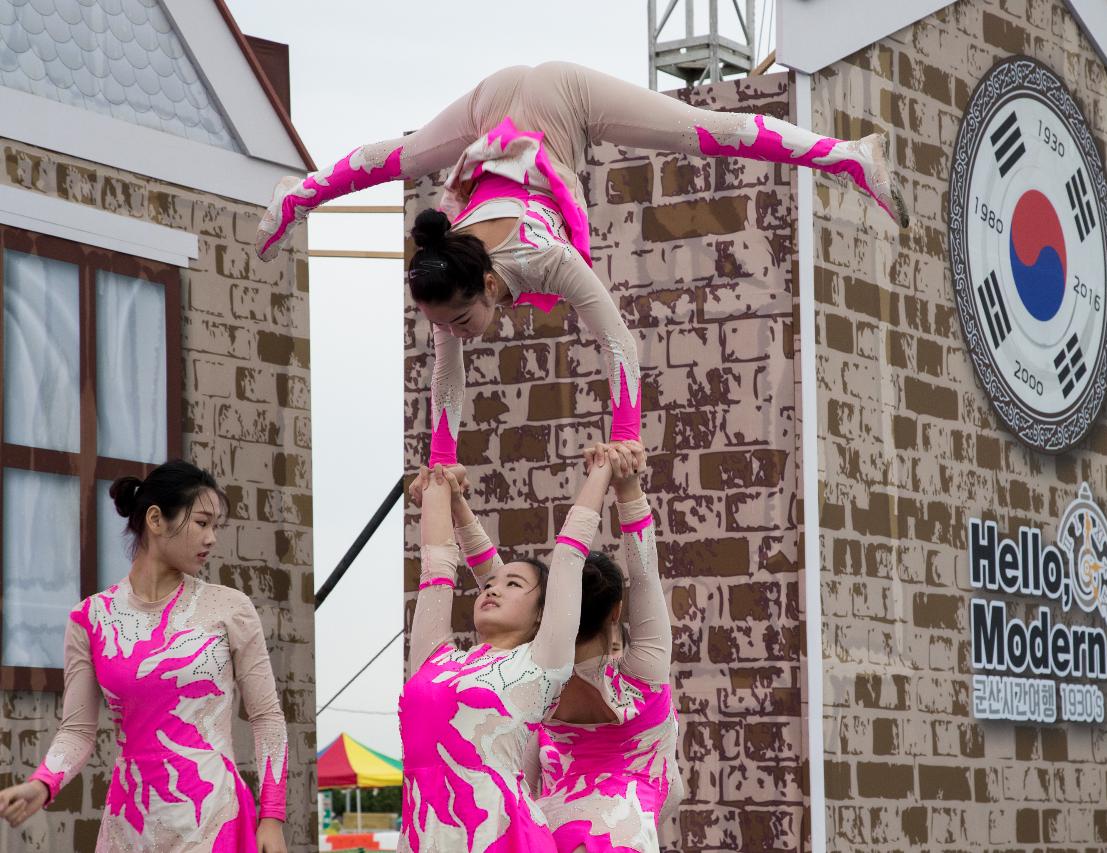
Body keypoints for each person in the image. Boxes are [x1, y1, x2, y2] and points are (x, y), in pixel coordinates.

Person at [253, 61, 908, 468]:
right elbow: (445, 381)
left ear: (488, 284)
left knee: (702, 131)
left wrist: (626, 434)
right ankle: (298, 194)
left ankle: (847, 156)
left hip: (562, 94)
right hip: (495, 102)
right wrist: (441, 463)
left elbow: (618, 339)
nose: (455, 332)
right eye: (446, 325)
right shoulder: (449, 273)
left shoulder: (543, 256)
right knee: (407, 157)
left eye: (460, 320)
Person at [0, 461, 289, 853]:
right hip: (130, 826)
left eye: (216, 527)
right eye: (202, 523)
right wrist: (43, 782)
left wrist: (271, 816)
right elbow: (78, 730)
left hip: (214, 820)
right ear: (156, 519)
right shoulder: (91, 618)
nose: (212, 539)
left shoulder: (229, 608)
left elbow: (267, 717)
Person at [398, 449, 614, 851]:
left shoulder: (540, 665)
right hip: (424, 837)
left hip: (502, 836)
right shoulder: (436, 660)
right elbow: (437, 565)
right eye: (491, 583)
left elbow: (568, 558)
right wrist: (437, 490)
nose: (494, 588)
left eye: (514, 584)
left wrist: (603, 469)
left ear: (541, 616)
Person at [533, 442, 680, 853]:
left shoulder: (537, 681)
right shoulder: (641, 678)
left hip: (548, 827)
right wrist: (627, 485)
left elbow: (487, 574)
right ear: (617, 611)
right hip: (622, 828)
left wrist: (454, 506)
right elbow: (645, 574)